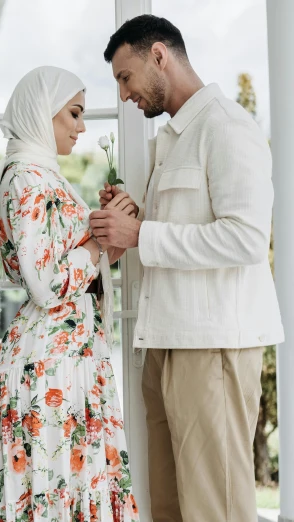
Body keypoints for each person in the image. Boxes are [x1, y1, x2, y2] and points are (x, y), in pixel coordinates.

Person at [92, 15, 284, 522]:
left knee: (215, 507)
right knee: (171, 506)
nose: (124, 94)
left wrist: (143, 235)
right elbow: (183, 231)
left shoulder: (225, 126)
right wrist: (137, 217)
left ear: (159, 55)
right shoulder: (176, 138)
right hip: (167, 343)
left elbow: (244, 238)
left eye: (125, 76)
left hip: (212, 346)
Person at [0, 66, 139, 522]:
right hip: (51, 363)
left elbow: (75, 266)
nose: (82, 127)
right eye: (73, 113)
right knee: (53, 490)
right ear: (41, 112)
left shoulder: (45, 176)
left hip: (69, 357)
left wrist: (110, 229)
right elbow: (47, 284)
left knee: (71, 487)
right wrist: (97, 241)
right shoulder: (25, 177)